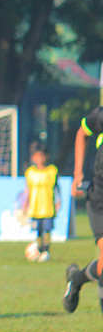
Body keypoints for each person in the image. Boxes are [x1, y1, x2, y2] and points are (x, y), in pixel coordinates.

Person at [63, 106, 103, 316]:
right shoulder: (101, 116)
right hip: (100, 197)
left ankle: (76, 279)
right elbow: (82, 132)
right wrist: (78, 172)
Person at [22, 143, 59, 263]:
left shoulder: (52, 171)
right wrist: (25, 204)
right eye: (37, 156)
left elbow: (57, 188)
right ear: (33, 158)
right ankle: (39, 249)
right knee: (38, 230)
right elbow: (28, 189)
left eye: (42, 156)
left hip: (48, 207)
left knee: (47, 230)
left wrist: (58, 202)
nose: (40, 159)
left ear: (46, 156)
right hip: (35, 207)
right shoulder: (30, 172)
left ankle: (46, 250)